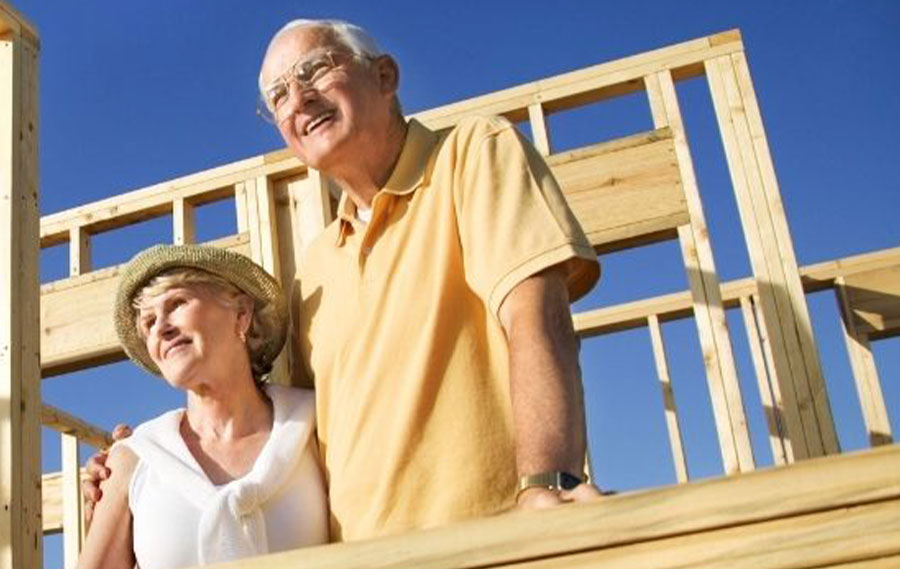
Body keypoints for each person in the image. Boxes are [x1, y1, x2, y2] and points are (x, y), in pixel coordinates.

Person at [88, 18, 604, 542]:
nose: (298, 99)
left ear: (384, 77)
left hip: (488, 539)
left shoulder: (472, 155)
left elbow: (536, 318)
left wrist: (548, 482)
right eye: (278, 95)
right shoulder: (317, 267)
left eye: (314, 70)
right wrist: (144, 466)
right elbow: (279, 430)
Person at [75, 245, 329, 569]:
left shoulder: (315, 426)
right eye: (149, 322)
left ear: (241, 314)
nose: (160, 328)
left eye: (177, 303)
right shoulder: (133, 457)